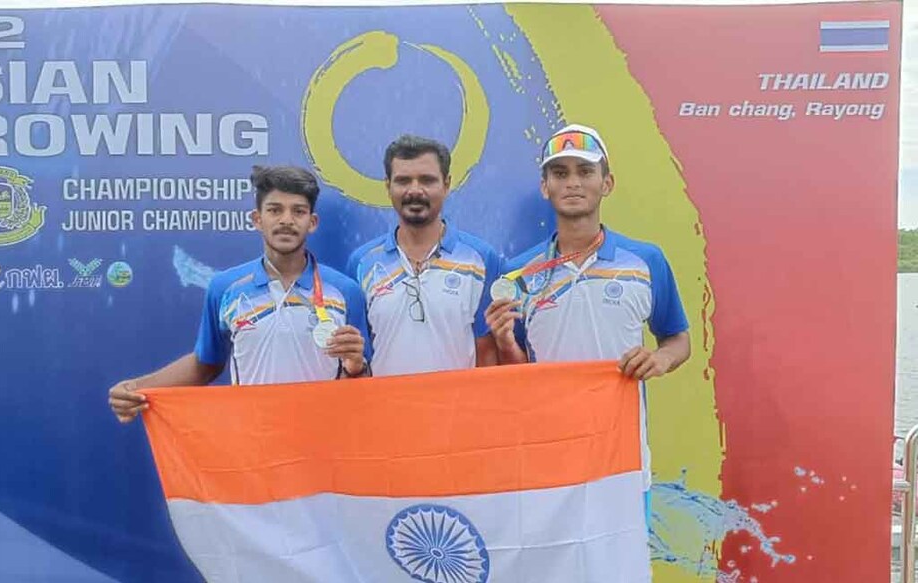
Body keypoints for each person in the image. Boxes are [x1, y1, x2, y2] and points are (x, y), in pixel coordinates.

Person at [484, 123, 691, 522]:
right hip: (548, 456)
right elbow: (517, 373)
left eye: (585, 171)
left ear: (606, 183)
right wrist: (506, 343)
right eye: (560, 174)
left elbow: (677, 338)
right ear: (545, 187)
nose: (573, 183)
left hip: (622, 456)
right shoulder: (517, 275)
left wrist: (660, 360)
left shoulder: (645, 261)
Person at [109, 165, 370, 423]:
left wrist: (356, 365)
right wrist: (136, 388)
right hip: (251, 440)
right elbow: (205, 364)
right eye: (274, 210)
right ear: (257, 219)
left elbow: (361, 385)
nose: (286, 220)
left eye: (298, 211)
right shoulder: (225, 288)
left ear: (312, 222)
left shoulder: (346, 291)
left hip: (323, 439)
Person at [346, 135, 502, 376]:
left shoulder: (481, 259)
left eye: (427, 180)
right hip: (386, 410)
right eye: (403, 181)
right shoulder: (361, 262)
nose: (415, 191)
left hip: (456, 410)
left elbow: (487, 351)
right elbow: (359, 357)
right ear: (388, 186)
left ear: (447, 184)